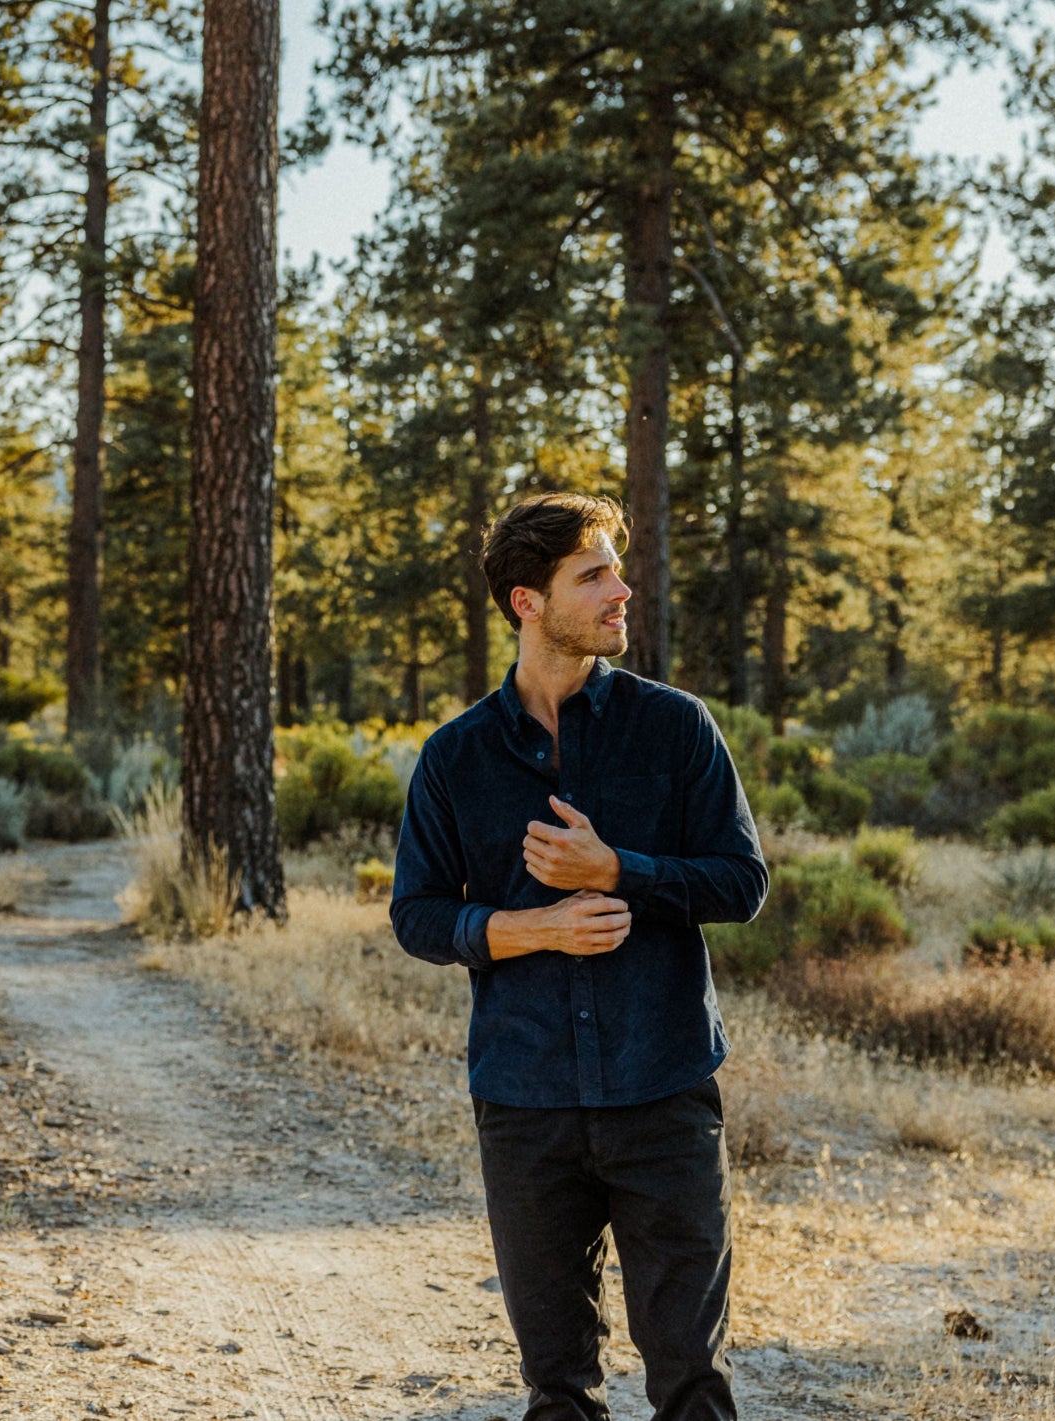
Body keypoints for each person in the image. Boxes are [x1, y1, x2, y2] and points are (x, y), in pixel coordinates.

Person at [389, 492, 768, 1421]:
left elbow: (741, 882)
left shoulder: (677, 729)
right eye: (594, 573)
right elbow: (418, 914)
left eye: (616, 568)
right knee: (557, 1387)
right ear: (528, 600)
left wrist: (618, 869)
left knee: (691, 1381)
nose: (622, 589)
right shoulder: (456, 758)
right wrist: (530, 930)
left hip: (663, 1089)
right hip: (526, 1102)